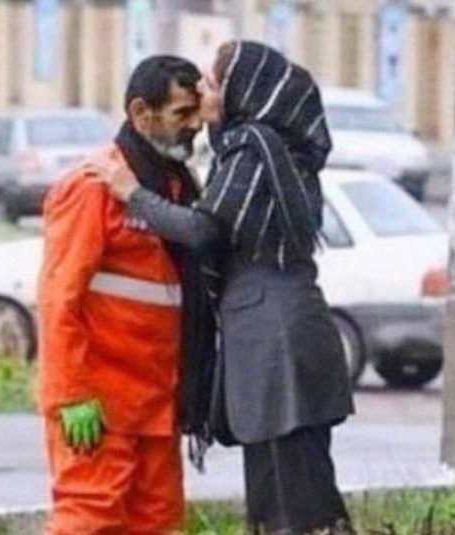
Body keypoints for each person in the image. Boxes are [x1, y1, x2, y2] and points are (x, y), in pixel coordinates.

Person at [98, 41, 356, 534]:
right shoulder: (266, 152)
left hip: (275, 337)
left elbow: (203, 230)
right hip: (276, 331)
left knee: (296, 499)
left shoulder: (251, 150)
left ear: (243, 92)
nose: (202, 93)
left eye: (212, 84)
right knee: (278, 491)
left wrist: (133, 194)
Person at [36, 54, 215, 534]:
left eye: (197, 112)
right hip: (100, 402)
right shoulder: (94, 187)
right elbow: (58, 299)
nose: (195, 125)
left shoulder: (172, 188)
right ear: (141, 113)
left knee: (157, 523)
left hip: (156, 401)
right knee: (89, 519)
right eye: (182, 113)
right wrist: (71, 394)